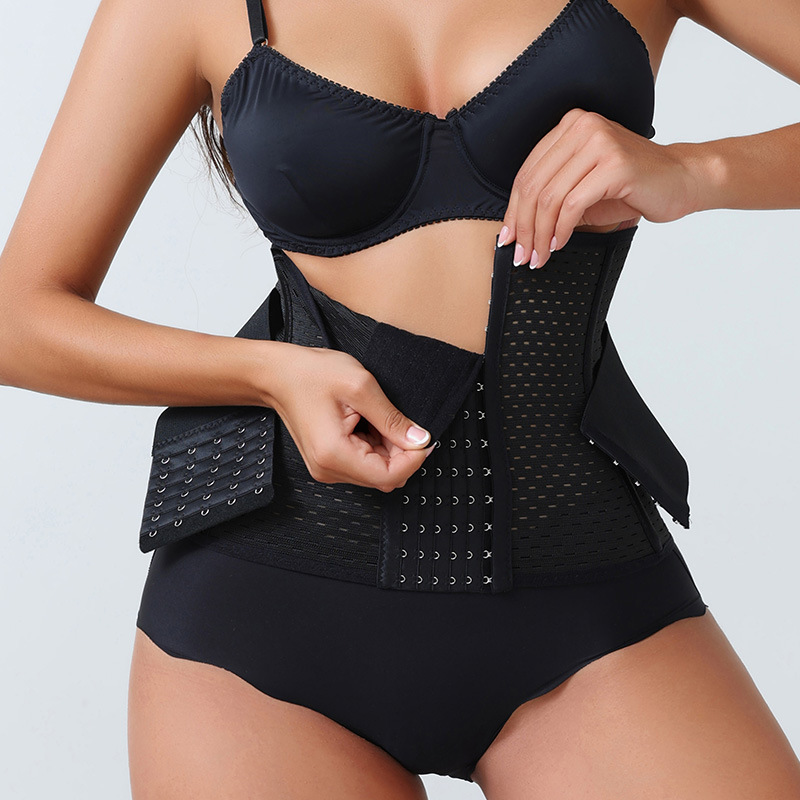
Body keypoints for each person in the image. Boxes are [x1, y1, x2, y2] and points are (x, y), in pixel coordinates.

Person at [1, 0, 800, 797]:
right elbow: (18, 319)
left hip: (585, 586)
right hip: (262, 619)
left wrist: (697, 172)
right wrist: (268, 374)